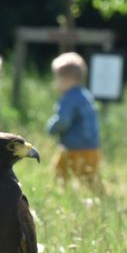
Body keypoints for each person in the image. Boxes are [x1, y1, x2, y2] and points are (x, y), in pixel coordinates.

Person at [46, 52, 102, 187]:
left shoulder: (69, 98)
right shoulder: (86, 95)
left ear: (66, 80)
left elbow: (63, 120)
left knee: (59, 175)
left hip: (72, 149)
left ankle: (59, 196)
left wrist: (51, 128)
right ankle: (102, 199)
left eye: (57, 79)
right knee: (91, 181)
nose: (56, 83)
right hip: (92, 148)